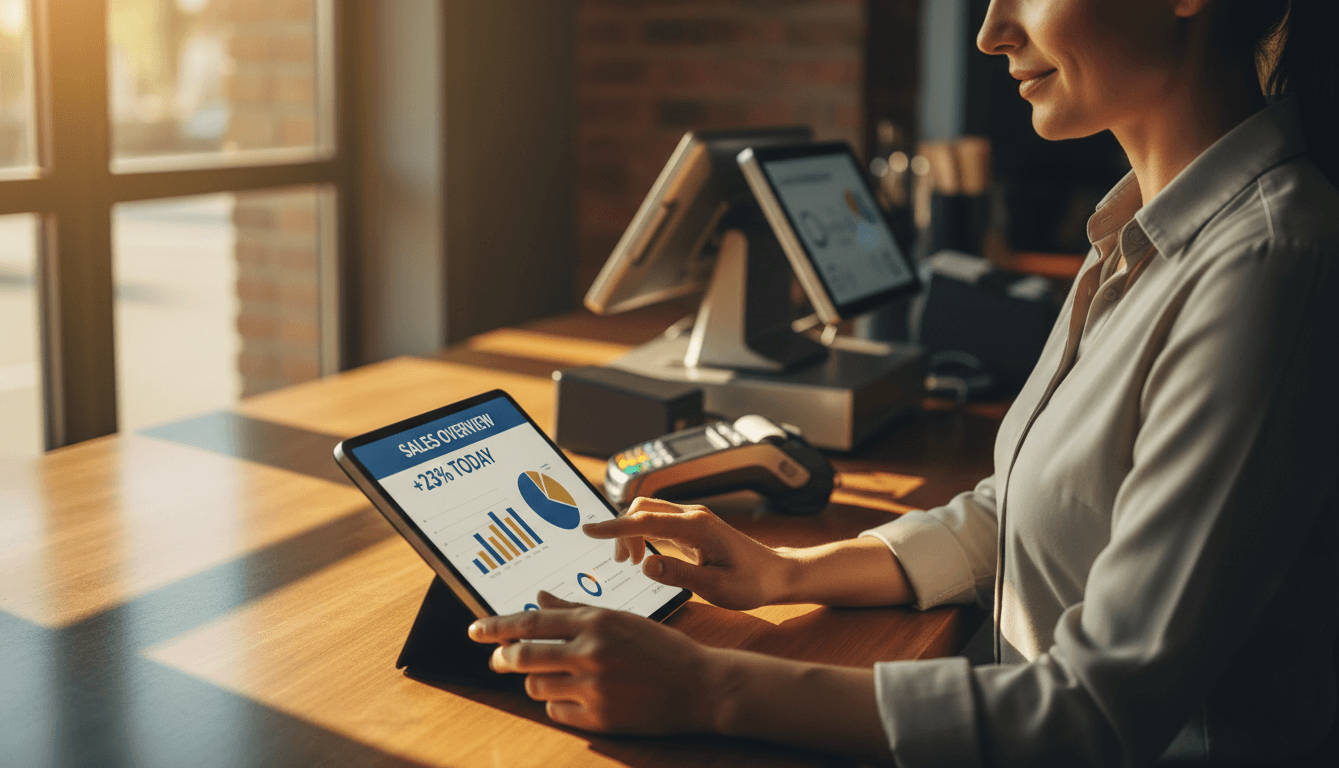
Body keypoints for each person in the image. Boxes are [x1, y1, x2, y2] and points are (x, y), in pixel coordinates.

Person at [468, 0, 1339, 764]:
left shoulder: (1269, 262)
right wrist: (790, 572)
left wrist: (707, 686)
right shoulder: (1139, 233)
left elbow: (1092, 718)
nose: (993, 32)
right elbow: (1021, 509)